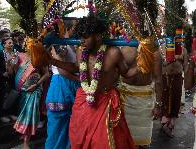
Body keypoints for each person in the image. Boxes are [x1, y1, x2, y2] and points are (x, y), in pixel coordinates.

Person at [47, 16, 137, 149]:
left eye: (86, 37)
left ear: (98, 36)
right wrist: (54, 61)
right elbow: (77, 67)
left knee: (102, 142)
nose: (82, 40)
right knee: (79, 139)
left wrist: (142, 65)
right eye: (80, 36)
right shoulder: (80, 51)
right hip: (83, 100)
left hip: (105, 101)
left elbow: (126, 73)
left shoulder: (113, 53)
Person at [45, 22, 80, 149]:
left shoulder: (73, 43)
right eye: (75, 28)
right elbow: (62, 70)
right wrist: (79, 79)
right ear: (66, 29)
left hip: (70, 86)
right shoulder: (59, 44)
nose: (77, 31)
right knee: (57, 129)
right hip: (61, 87)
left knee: (71, 127)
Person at [120, 46, 163, 148]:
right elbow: (114, 74)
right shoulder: (123, 49)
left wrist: (158, 104)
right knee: (124, 140)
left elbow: (158, 80)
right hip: (125, 99)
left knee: (143, 142)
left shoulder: (154, 52)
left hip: (145, 100)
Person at [13, 43, 49, 149]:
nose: (29, 48)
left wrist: (36, 85)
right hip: (22, 92)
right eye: (28, 45)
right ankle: (24, 133)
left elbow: (47, 74)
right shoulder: (21, 56)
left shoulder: (39, 58)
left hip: (33, 91)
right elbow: (16, 71)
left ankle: (26, 143)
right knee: (23, 114)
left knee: (29, 115)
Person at [161, 44, 188, 137]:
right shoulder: (162, 47)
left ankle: (171, 125)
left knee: (176, 99)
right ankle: (164, 121)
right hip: (165, 78)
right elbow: (160, 64)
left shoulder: (183, 49)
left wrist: (187, 79)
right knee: (164, 98)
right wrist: (170, 59)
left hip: (177, 78)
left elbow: (186, 66)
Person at [0, 37, 18, 123]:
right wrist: (1, 73)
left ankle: (10, 113)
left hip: (12, 78)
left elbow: (15, 67)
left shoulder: (14, 54)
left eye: (12, 43)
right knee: (2, 97)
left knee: (12, 96)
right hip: (1, 79)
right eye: (9, 43)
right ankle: (1, 115)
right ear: (4, 45)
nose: (11, 44)